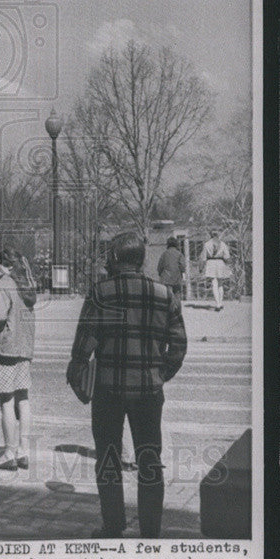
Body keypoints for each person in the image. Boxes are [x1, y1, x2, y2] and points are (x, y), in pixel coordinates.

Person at [67, 230, 187, 539]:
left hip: (108, 388)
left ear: (115, 258)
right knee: (150, 459)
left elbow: (85, 342)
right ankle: (150, 529)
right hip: (149, 389)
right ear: (142, 259)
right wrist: (160, 373)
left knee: (107, 457)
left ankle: (113, 524)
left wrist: (77, 373)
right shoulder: (164, 293)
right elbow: (179, 344)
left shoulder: (101, 292)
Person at [0, 247, 37, 472]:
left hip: (7, 348)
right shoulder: (27, 285)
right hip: (25, 347)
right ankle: (24, 451)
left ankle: (9, 452)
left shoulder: (1, 285)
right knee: (23, 399)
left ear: (2, 264)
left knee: (6, 400)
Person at [199, 231, 232, 310]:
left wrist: (201, 267)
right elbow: (227, 256)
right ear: (218, 235)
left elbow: (203, 257)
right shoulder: (223, 244)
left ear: (211, 235)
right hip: (220, 263)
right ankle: (220, 303)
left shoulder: (207, 244)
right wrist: (228, 265)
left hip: (211, 263)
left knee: (214, 284)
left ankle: (217, 304)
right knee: (220, 284)